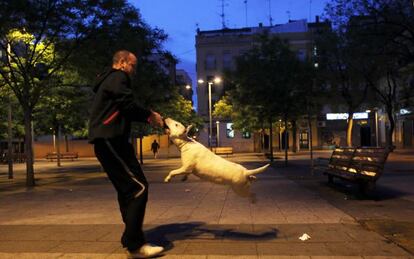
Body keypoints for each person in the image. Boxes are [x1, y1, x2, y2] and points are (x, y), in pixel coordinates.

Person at [88, 50, 164, 258]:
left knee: (127, 191)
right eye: (133, 65)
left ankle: (131, 238)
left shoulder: (107, 80)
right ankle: (135, 244)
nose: (134, 71)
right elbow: (127, 104)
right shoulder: (118, 77)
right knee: (139, 188)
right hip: (110, 139)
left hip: (110, 140)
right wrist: (150, 116)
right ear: (122, 63)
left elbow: (122, 106)